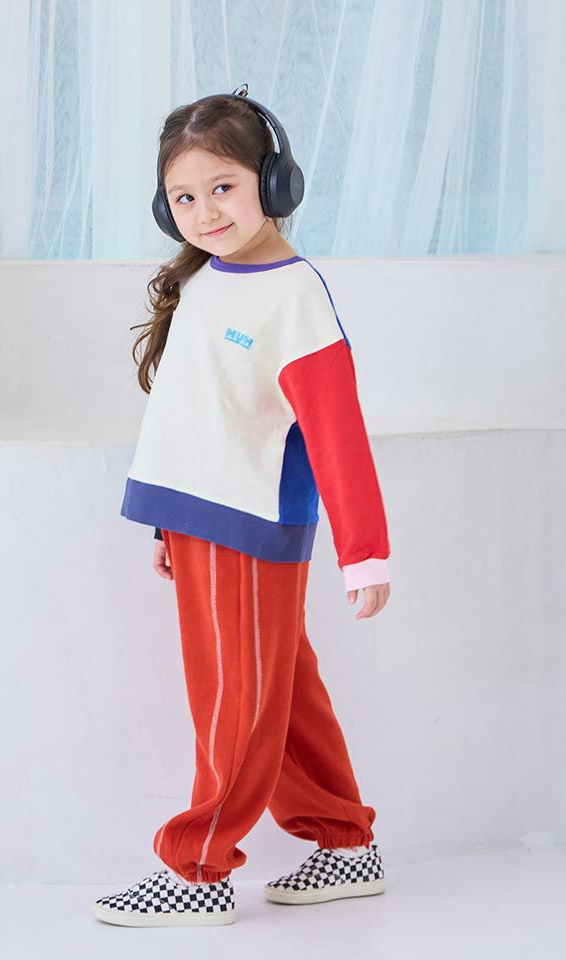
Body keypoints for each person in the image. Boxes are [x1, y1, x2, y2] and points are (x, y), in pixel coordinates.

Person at [93, 85, 391, 928]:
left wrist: (364, 552)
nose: (205, 211)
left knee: (234, 695)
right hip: (200, 520)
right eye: (184, 197)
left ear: (274, 180)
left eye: (223, 186)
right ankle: (344, 841)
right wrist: (168, 522)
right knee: (279, 688)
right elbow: (198, 416)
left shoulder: (294, 298)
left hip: (248, 527)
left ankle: (199, 868)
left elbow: (336, 435)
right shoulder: (208, 282)